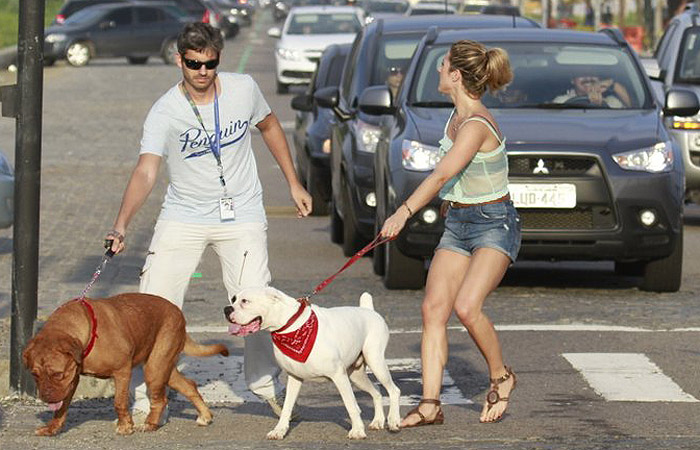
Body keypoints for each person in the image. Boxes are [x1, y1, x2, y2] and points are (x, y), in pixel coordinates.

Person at [105, 22, 312, 422]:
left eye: (211, 63)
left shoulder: (243, 89)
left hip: (243, 211)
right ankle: (150, 393)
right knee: (153, 304)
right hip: (184, 214)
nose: (202, 72)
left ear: (219, 59)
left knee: (254, 298)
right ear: (179, 60)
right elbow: (147, 171)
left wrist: (293, 182)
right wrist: (121, 224)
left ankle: (265, 383)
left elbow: (269, 127)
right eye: (194, 64)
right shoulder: (165, 111)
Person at [379, 39, 521, 426]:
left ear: (455, 75)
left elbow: (442, 172)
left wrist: (403, 213)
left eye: (442, 65)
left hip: (494, 224)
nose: (439, 71)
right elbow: (456, 180)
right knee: (433, 310)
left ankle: (501, 375)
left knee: (467, 307)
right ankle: (429, 404)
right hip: (458, 223)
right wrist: (451, 202)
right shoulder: (454, 117)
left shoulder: (475, 123)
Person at [552, 74, 631, 108]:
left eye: (593, 73)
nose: (588, 78)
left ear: (599, 79)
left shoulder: (612, 101)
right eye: (582, 74)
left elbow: (632, 109)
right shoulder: (561, 101)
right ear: (573, 80)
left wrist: (613, 84)